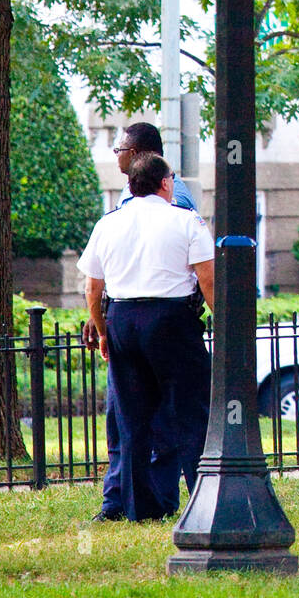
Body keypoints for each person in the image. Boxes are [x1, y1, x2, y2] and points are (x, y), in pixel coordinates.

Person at [78, 152, 214, 522]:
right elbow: (208, 279)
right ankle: (203, 501)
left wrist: (104, 331)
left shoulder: (108, 224)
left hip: (122, 317)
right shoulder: (186, 221)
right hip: (171, 320)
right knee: (189, 412)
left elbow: (92, 288)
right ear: (166, 183)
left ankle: (141, 509)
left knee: (132, 419)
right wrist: (223, 321)